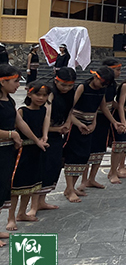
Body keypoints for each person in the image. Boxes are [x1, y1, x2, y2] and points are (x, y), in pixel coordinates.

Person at [62, 67, 115, 202]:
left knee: (83, 157)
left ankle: (71, 188)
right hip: (76, 125)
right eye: (102, 83)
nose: (103, 86)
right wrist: (78, 124)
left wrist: (97, 123)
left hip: (89, 126)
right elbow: (69, 108)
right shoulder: (82, 87)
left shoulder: (101, 90)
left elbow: (100, 107)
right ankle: (69, 188)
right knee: (73, 156)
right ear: (96, 77)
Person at [6, 81, 50, 231]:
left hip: (37, 149)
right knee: (17, 186)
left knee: (31, 185)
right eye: (38, 94)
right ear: (29, 94)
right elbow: (22, 128)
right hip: (22, 150)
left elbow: (45, 124)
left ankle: (22, 213)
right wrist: (37, 140)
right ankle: (11, 218)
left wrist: (44, 137)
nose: (41, 98)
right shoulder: (22, 111)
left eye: (44, 95)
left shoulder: (44, 110)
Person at [32, 67, 75, 215]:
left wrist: (67, 124)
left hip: (57, 133)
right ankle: (33, 205)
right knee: (40, 168)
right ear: (56, 80)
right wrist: (48, 133)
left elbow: (71, 110)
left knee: (53, 166)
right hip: (43, 133)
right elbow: (46, 115)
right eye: (63, 85)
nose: (67, 88)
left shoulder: (71, 93)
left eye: (70, 85)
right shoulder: (49, 92)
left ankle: (42, 201)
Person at [82, 57, 122, 191]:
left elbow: (110, 104)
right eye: (117, 70)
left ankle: (92, 178)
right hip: (92, 118)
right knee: (88, 150)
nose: (119, 73)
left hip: (105, 119)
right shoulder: (89, 86)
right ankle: (83, 180)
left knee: (100, 149)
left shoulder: (113, 84)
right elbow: (102, 106)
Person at [0, 65, 24, 246]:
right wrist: (11, 134)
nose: (18, 85)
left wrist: (37, 139)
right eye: (15, 81)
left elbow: (18, 121)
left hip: (6, 151)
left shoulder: (9, 100)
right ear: (3, 81)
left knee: (2, 188)